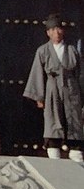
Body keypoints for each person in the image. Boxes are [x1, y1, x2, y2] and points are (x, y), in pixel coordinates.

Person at [23, 13, 83, 161]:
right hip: (52, 90)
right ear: (48, 32)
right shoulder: (42, 51)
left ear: (63, 31)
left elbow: (80, 74)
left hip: (71, 89)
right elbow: (38, 73)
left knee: (74, 122)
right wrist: (39, 96)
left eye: (59, 29)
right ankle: (54, 156)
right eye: (53, 30)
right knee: (52, 122)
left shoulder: (72, 50)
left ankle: (77, 156)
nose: (57, 33)